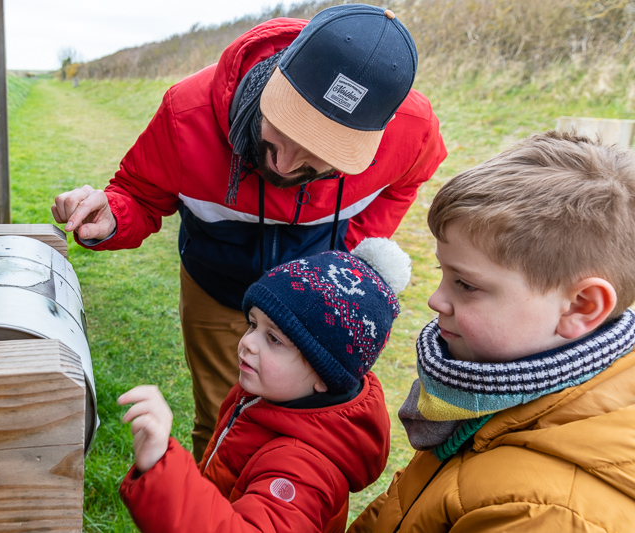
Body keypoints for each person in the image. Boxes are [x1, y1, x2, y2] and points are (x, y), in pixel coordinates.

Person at [52, 4, 447, 460]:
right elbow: (139, 194)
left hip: (315, 309)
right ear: (278, 76)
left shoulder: (413, 130)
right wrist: (114, 216)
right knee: (222, 418)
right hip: (215, 286)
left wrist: (348, 256)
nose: (285, 164)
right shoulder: (188, 112)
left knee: (305, 434)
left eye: (324, 150)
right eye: (288, 125)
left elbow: (406, 182)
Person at [348, 131, 635, 533]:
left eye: (465, 285)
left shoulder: (545, 514)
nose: (435, 300)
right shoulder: (487, 392)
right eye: (442, 274)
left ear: (581, 306)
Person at [118, 238, 412, 532]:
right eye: (252, 324)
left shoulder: (303, 470)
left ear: (325, 375)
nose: (247, 342)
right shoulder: (267, 396)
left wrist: (162, 468)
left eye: (274, 339)